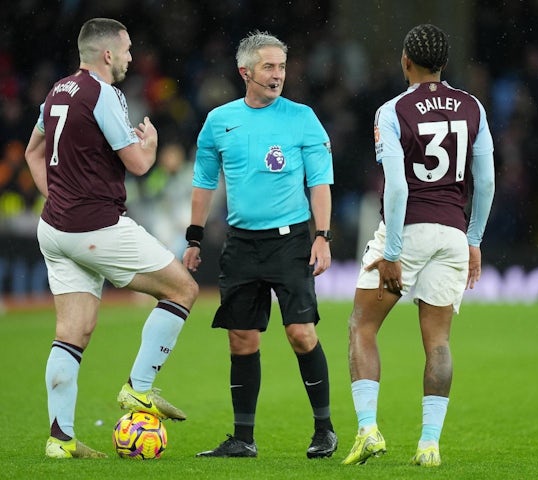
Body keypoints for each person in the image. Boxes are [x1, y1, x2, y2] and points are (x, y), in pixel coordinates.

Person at [24, 18, 199, 459]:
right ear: (106, 54)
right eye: (126, 50)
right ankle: (139, 389)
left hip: (54, 229)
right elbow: (138, 165)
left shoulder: (56, 91)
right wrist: (153, 146)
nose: (129, 57)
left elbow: (32, 152)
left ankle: (60, 440)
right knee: (183, 288)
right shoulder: (105, 94)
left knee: (72, 331)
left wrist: (59, 198)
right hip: (95, 227)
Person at [341, 24, 495, 467]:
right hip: (452, 233)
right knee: (439, 342)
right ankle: (429, 444)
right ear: (444, 64)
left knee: (362, 326)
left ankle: (368, 429)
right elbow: (484, 180)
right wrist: (474, 240)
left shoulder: (392, 110)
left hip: (407, 231)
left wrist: (392, 251)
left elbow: (395, 189)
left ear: (405, 60)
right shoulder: (473, 107)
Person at [182, 30, 337, 460]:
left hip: (290, 242)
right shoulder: (218, 121)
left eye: (282, 66)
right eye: (269, 66)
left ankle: (324, 430)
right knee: (242, 340)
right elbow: (203, 182)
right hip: (241, 244)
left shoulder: (302, 118)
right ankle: (242, 439)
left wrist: (322, 237)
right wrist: (194, 238)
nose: (278, 75)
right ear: (244, 71)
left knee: (301, 334)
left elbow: (319, 183)